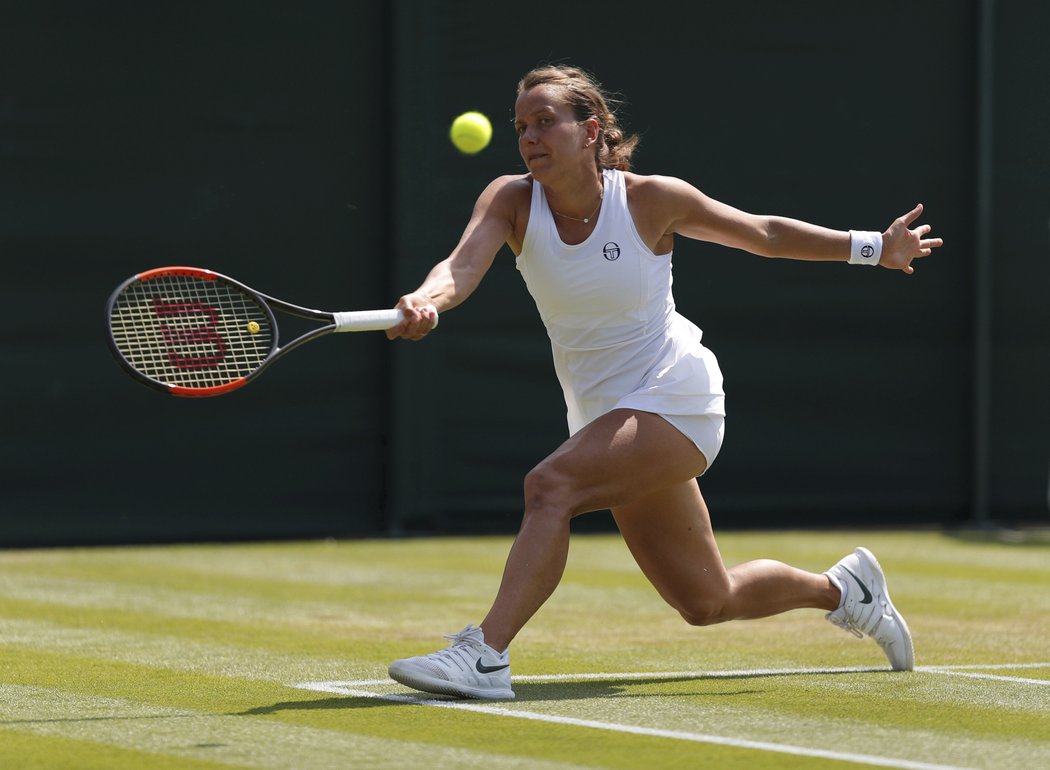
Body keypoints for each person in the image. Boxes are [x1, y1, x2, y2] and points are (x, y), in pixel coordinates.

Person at [383, 64, 943, 700]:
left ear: (591, 130)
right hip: (603, 417)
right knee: (707, 600)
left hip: (675, 397)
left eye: (546, 122)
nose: (530, 138)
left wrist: (874, 246)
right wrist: (426, 299)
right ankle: (846, 590)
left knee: (550, 486)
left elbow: (761, 233)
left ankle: (484, 656)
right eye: (521, 127)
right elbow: (459, 267)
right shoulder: (510, 200)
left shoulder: (650, 198)